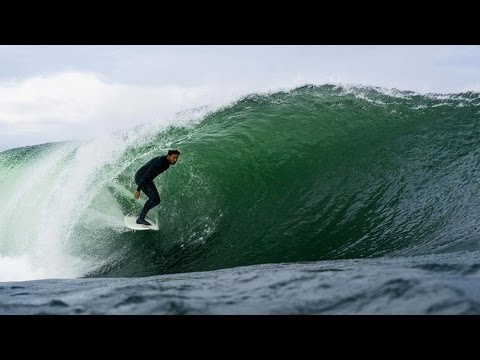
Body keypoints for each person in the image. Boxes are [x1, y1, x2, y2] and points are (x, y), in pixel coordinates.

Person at [133, 149, 180, 225]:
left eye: (177, 158)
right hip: (141, 177)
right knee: (153, 198)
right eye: (174, 157)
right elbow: (147, 173)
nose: (175, 160)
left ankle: (140, 214)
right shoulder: (160, 162)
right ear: (168, 156)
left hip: (147, 179)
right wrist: (138, 189)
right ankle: (140, 218)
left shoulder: (167, 163)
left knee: (156, 200)